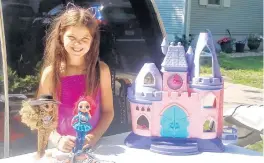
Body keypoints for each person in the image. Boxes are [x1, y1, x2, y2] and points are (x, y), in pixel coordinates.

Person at [37, 5, 114, 153]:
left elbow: (108, 112)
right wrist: (58, 140)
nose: (78, 44)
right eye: (71, 37)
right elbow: (42, 118)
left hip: (95, 148)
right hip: (59, 149)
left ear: (92, 41)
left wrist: (93, 137)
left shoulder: (101, 71)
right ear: (61, 36)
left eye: (84, 39)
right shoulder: (50, 74)